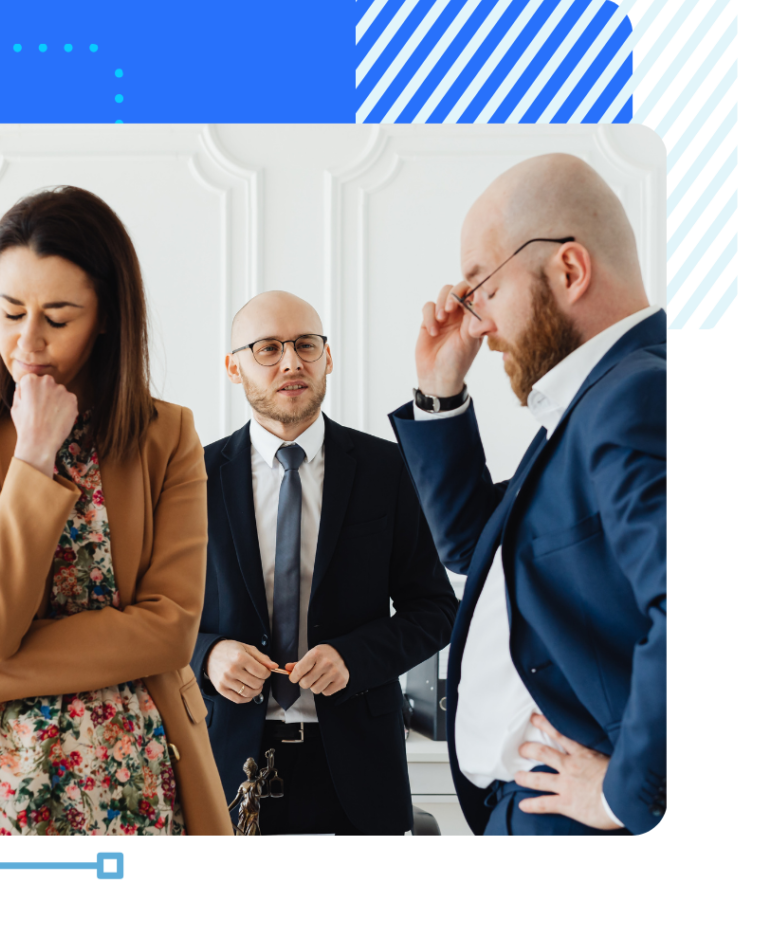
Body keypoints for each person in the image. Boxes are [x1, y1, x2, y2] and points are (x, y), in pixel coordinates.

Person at [0, 185, 233, 836]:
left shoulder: (168, 435)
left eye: (57, 318)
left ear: (107, 317)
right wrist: (32, 457)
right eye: (10, 313)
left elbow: (169, 631)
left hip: (135, 775)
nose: (26, 342)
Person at [388, 153, 667, 836]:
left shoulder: (634, 396)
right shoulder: (594, 405)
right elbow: (472, 546)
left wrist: (625, 795)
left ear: (568, 270)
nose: (475, 323)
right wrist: (439, 394)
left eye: (480, 286)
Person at [192, 290, 458, 836]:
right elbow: (152, 615)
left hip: (359, 769)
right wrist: (209, 655)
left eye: (306, 345)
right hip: (222, 762)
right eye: (267, 348)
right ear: (233, 368)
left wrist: (353, 657)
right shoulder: (191, 478)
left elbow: (435, 610)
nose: (291, 362)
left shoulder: (388, 468)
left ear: (328, 358)